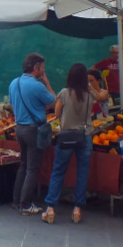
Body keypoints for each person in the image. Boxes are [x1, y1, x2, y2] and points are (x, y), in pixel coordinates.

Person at [42, 63, 95, 225]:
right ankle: (77, 209)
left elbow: (57, 114)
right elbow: (97, 103)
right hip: (84, 136)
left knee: (58, 171)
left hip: (66, 136)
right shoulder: (89, 94)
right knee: (82, 172)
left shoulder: (64, 94)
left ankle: (50, 208)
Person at [9, 52, 56, 215]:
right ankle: (26, 204)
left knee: (23, 164)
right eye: (42, 68)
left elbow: (11, 105)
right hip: (33, 129)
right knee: (32, 168)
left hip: (19, 128)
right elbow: (54, 102)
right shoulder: (37, 85)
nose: (43, 71)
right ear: (36, 68)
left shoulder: (14, 83)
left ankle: (16, 201)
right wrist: (47, 83)